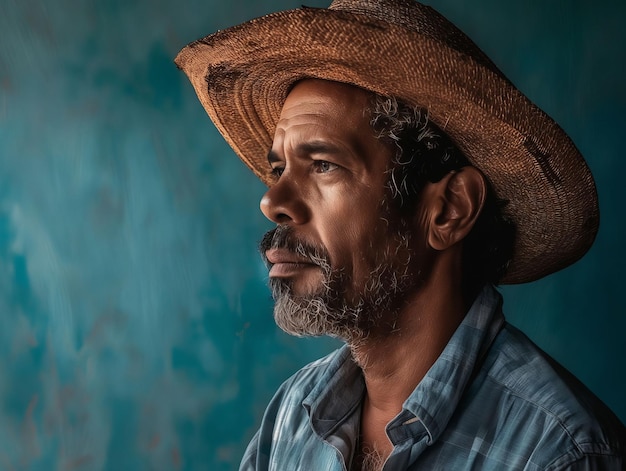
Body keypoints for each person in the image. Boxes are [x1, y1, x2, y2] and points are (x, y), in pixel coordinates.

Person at [175, 0, 626, 469]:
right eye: (279, 169)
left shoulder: (558, 453)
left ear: (449, 210)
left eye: (324, 165)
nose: (272, 202)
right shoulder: (293, 414)